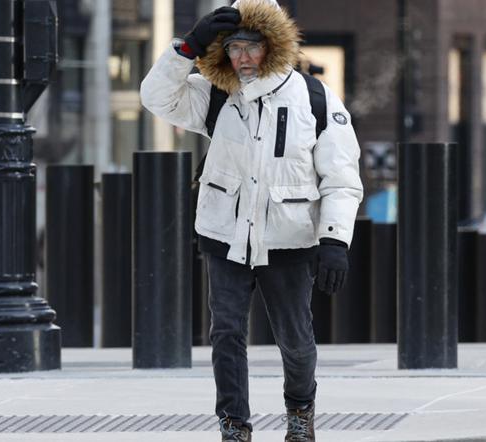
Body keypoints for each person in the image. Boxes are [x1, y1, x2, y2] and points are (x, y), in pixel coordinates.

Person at [140, 0, 363, 440]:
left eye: (252, 47)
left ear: (273, 47)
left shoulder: (314, 98)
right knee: (225, 333)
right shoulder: (215, 94)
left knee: (296, 339)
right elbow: (155, 96)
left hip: (289, 237)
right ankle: (234, 423)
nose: (242, 57)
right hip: (224, 234)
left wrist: (334, 240)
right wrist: (187, 48)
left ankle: (300, 411)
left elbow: (341, 177)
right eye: (233, 47)